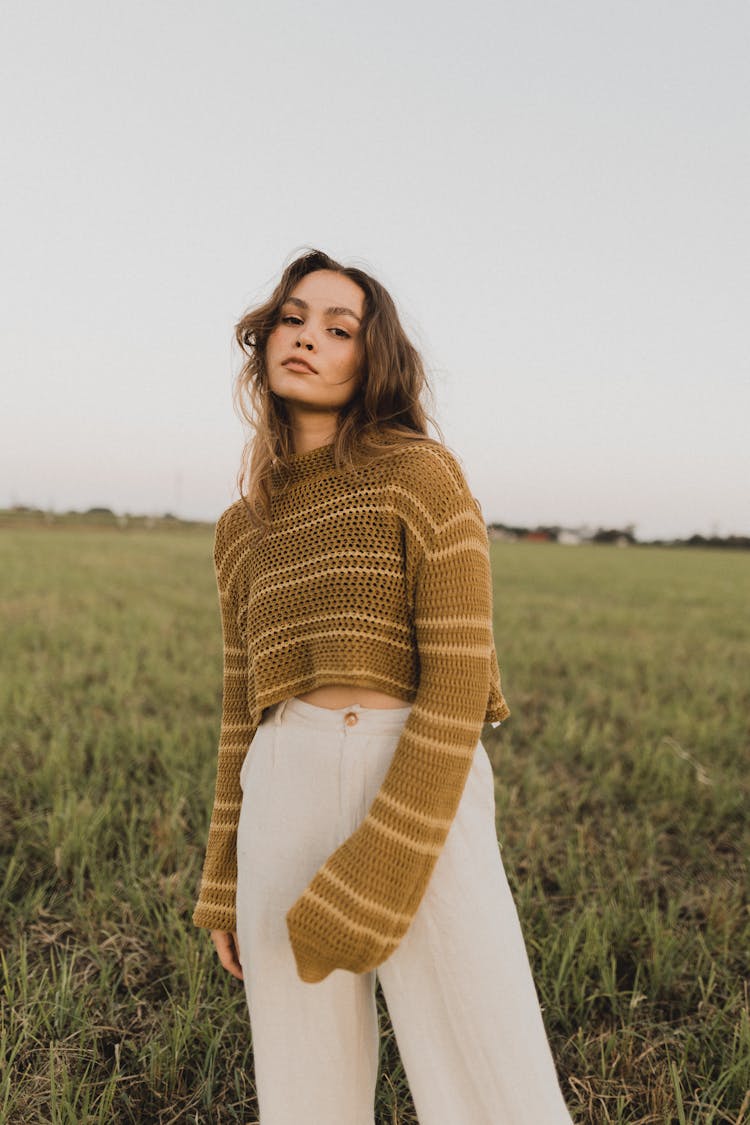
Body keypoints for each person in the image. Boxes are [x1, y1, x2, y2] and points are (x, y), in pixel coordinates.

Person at [193, 248, 574, 1124]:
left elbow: (458, 682)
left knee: (490, 1063)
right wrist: (222, 874)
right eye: (292, 318)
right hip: (280, 785)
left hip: (413, 772)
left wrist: (387, 853)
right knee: (302, 1084)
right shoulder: (240, 528)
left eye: (338, 327)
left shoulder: (420, 474)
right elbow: (236, 708)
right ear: (265, 339)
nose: (307, 338)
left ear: (374, 359)